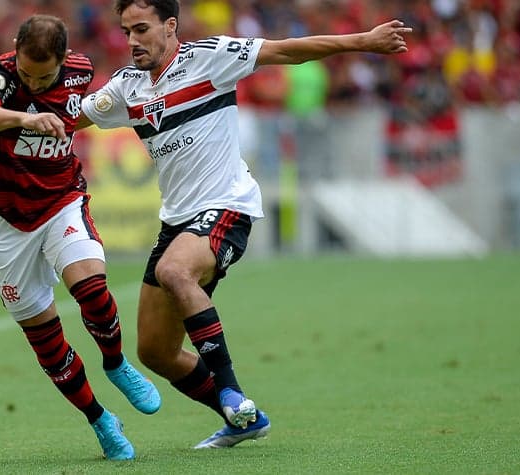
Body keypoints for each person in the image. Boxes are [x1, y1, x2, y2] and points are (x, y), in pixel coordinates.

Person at [77, 0, 411, 449]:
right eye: (126, 31)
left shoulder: (210, 57)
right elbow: (68, 118)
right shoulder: (125, 87)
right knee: (154, 351)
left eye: (141, 29)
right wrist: (10, 115)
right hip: (176, 219)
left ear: (170, 25)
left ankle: (231, 389)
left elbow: (288, 51)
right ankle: (242, 419)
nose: (132, 40)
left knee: (173, 271)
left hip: (226, 206)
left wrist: (364, 41)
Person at [0, 15, 160, 461]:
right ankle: (101, 420)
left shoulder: (82, 70)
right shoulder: (1, 74)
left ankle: (116, 364)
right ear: (16, 51)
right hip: (9, 221)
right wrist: (25, 119)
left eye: (45, 76)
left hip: (62, 202)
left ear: (63, 60)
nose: (34, 83)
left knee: (91, 287)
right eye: (28, 73)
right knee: (46, 338)